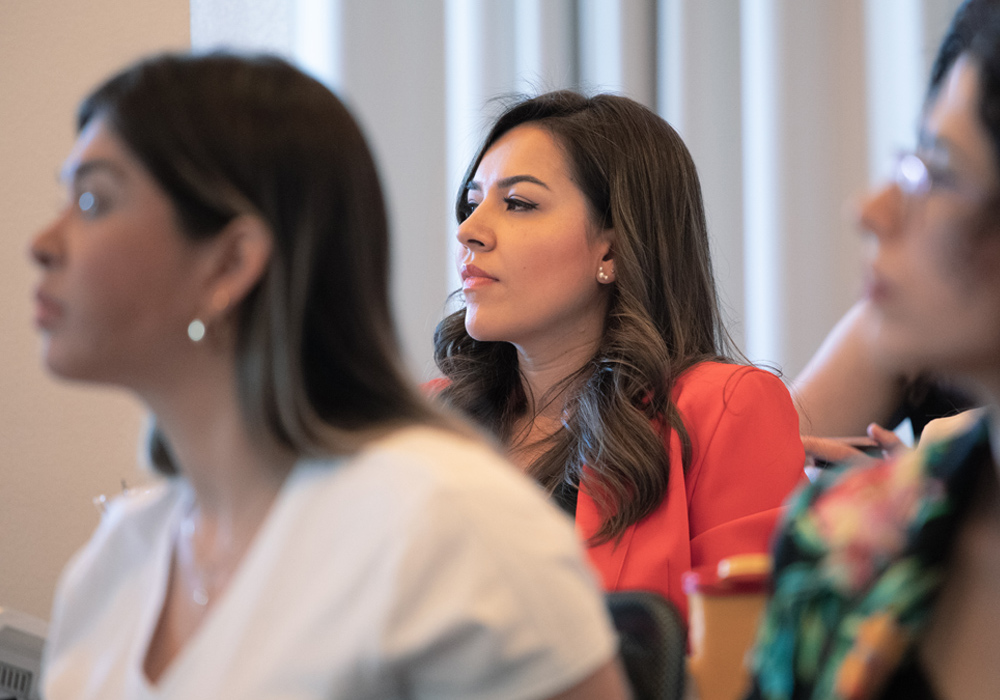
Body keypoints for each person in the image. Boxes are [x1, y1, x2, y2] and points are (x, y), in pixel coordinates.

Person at [32, 53, 629, 700]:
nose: (43, 241)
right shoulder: (116, 559)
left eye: (93, 199)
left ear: (231, 262)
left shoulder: (447, 523)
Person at [431, 90, 805, 621]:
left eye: (518, 203)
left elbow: (752, 660)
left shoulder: (725, 411)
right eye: (473, 203)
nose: (469, 230)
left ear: (613, 248)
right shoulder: (427, 421)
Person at [749, 1, 1000, 698]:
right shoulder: (843, 544)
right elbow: (776, 445)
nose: (868, 209)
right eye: (912, 158)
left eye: (939, 171)